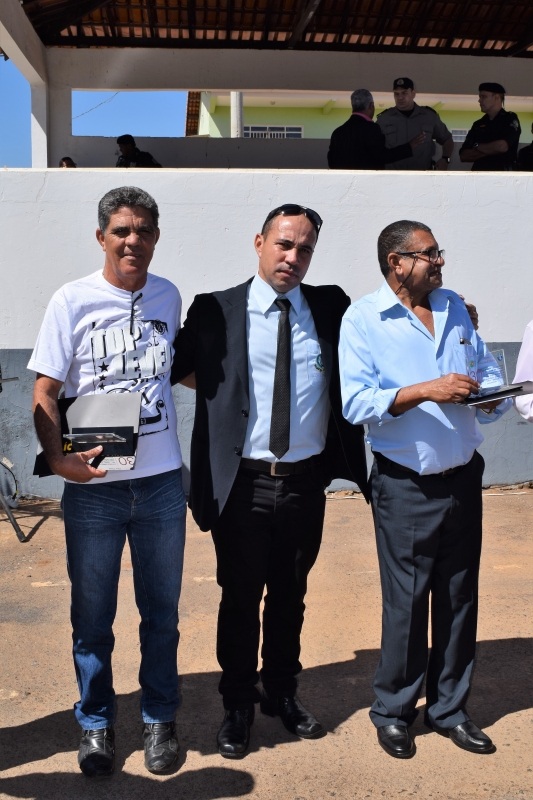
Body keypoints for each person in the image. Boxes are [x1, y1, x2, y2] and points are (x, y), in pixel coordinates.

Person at [170, 204, 370, 759]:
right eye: (284, 244)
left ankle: (282, 693)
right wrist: (224, 394)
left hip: (305, 484)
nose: (293, 257)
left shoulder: (330, 306)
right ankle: (237, 703)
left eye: (305, 249)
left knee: (290, 595)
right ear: (259, 243)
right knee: (240, 598)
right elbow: (173, 366)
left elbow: (377, 335)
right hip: (243, 485)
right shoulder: (216, 309)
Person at [29, 186, 186, 778]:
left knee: (161, 615)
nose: (132, 240)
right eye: (121, 230)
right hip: (93, 490)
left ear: (156, 237)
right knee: (92, 618)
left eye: (143, 230)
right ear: (102, 237)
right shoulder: (71, 300)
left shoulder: (169, 296)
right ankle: (95, 723)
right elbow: (45, 391)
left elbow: (180, 369)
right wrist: (59, 460)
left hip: (162, 485)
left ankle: (159, 718)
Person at [339, 220, 510, 760]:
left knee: (459, 598)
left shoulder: (454, 306)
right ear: (396, 262)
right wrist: (427, 390)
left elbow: (483, 366)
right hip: (405, 486)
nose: (439, 261)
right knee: (407, 604)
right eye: (429, 253)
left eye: (439, 252)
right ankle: (393, 711)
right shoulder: (363, 319)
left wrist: (491, 393)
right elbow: (356, 403)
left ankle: (449, 709)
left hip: (463, 478)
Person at [328, 89, 425, 170]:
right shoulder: (371, 128)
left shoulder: (337, 132)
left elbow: (331, 162)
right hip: (368, 183)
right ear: (371, 106)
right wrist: (409, 146)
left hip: (344, 184)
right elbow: (382, 156)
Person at [376, 77, 454, 170]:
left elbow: (447, 139)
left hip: (423, 174)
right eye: (396, 94)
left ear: (413, 94)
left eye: (404, 93)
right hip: (393, 175)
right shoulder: (384, 119)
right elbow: (375, 149)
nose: (400, 97)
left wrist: (445, 159)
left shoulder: (429, 116)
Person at [460, 83, 521, 171]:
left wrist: (476, 145)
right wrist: (493, 150)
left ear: (496, 98)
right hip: (479, 175)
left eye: (484, 96)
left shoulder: (510, 119)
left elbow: (502, 146)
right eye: (480, 97)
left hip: (503, 175)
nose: (479, 100)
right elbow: (464, 155)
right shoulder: (478, 124)